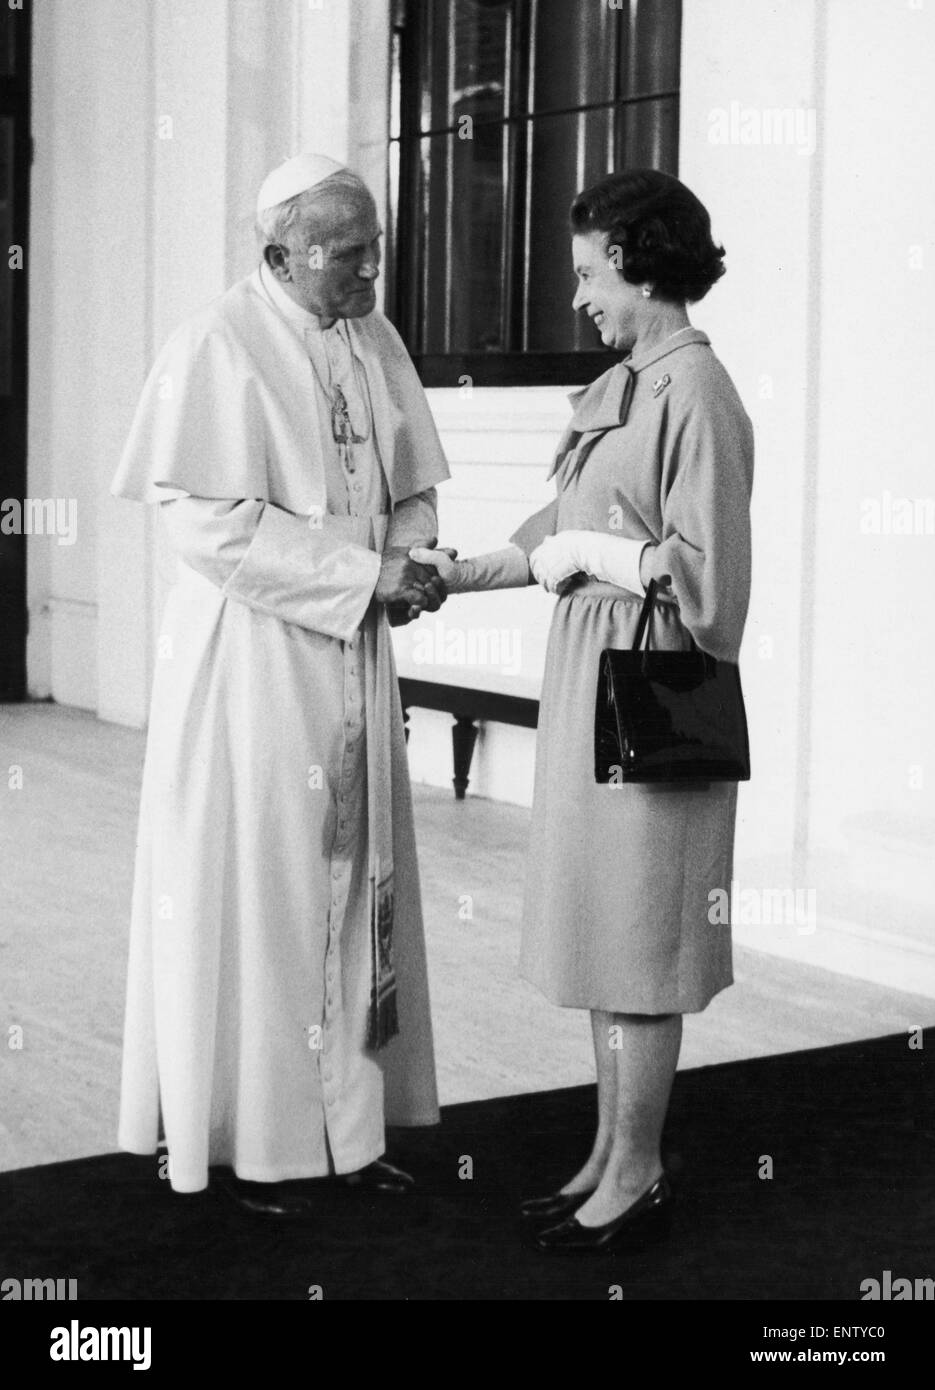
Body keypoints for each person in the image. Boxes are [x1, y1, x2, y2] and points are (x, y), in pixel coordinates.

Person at [413, 169, 754, 1253]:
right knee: (610, 933)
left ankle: (640, 1165)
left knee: (642, 942)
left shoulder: (694, 392)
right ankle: (610, 1152)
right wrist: (447, 573)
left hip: (653, 690)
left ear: (642, 263)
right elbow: (555, 523)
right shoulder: (629, 383)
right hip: (592, 677)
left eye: (588, 272)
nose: (579, 298)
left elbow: (712, 595)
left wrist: (592, 554)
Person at [112, 153, 450, 1218]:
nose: (369, 274)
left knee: (358, 889)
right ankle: (261, 1143)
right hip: (254, 661)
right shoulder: (212, 344)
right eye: (348, 255)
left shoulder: (375, 339)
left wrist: (412, 557)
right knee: (265, 892)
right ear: (279, 253)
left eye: (374, 250)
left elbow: (412, 487)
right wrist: (363, 576)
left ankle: (351, 1130)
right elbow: (208, 526)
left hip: (353, 650)